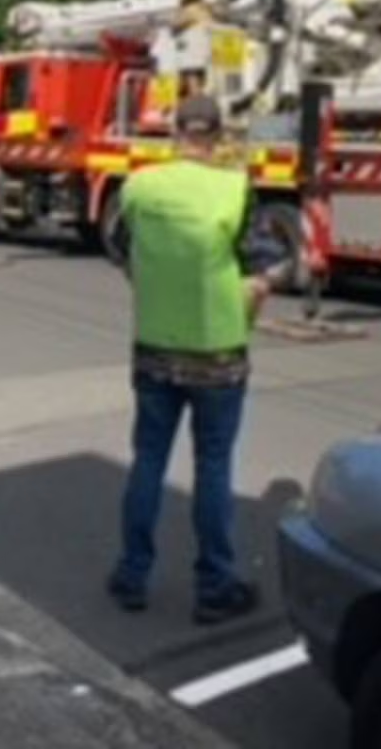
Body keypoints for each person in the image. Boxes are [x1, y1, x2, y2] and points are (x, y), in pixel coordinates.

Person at [106, 94, 283, 625]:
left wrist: (152, 282)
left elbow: (119, 247)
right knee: (212, 467)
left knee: (149, 460)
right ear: (219, 136)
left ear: (175, 133)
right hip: (218, 355)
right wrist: (256, 291)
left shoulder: (140, 186)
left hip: (155, 348)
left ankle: (132, 576)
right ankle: (214, 587)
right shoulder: (234, 188)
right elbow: (263, 268)